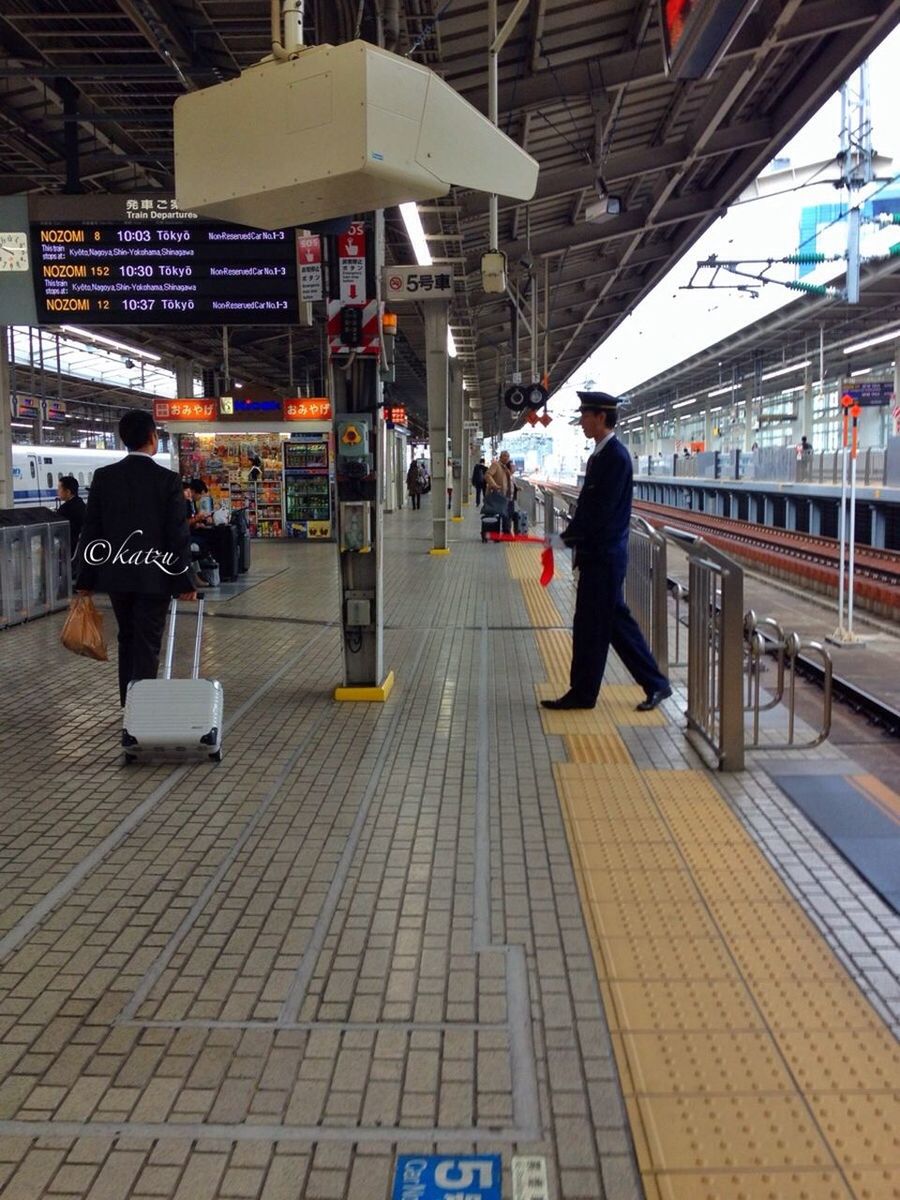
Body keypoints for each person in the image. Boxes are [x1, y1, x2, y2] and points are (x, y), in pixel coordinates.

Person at [542, 391, 671, 713]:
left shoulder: (615, 457)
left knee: (590, 627)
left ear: (601, 417)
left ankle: (583, 694)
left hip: (604, 557)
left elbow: (599, 514)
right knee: (614, 624)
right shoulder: (601, 455)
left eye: (585, 415)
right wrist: (567, 539)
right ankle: (656, 684)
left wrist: (565, 540)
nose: (582, 421)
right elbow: (589, 510)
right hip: (599, 555)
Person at [75, 410, 196, 709]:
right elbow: (177, 535)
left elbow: (92, 533)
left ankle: (129, 707)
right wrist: (185, 580)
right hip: (155, 579)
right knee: (147, 644)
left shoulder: (104, 478)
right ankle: (142, 714)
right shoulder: (168, 480)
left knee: (127, 640)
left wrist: (85, 580)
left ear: (123, 439)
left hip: (117, 578)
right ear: (153, 437)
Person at [56, 475, 86, 557]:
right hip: (80, 549)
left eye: (59, 489)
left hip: (68, 549)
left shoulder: (64, 509)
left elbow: (56, 530)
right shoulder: (82, 505)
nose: (57, 492)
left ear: (68, 492)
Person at [486, 451, 515, 532]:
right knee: (500, 515)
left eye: (508, 456)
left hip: (509, 495)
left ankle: (506, 532)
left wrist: (516, 487)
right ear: (500, 457)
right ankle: (501, 533)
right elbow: (487, 475)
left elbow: (510, 480)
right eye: (504, 456)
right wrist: (494, 485)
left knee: (509, 514)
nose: (506, 458)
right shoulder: (496, 465)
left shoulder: (506, 467)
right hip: (499, 495)